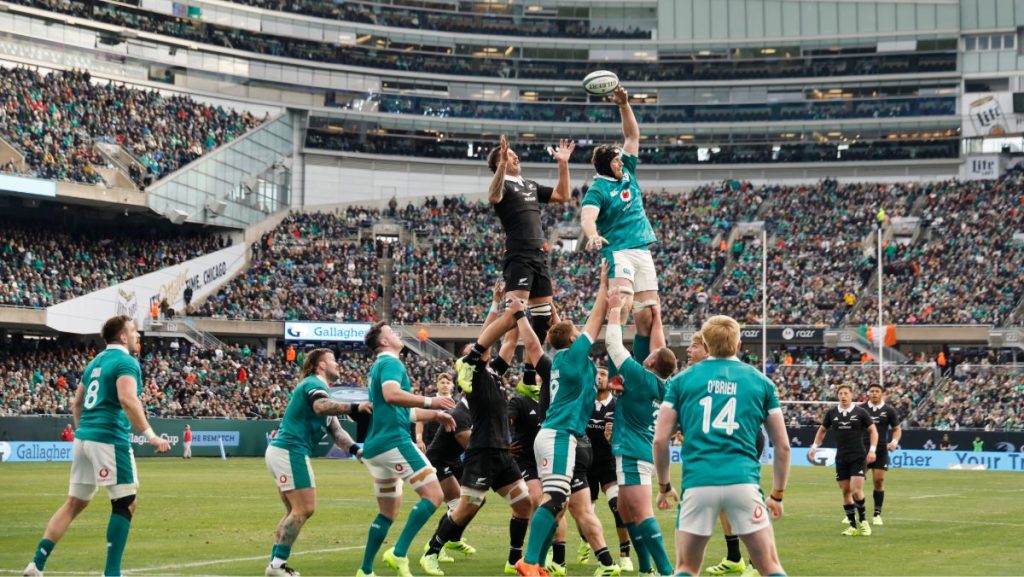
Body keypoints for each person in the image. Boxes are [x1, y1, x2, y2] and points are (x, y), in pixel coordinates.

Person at [24, 315, 171, 577]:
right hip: (108, 439)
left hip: (84, 438)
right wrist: (150, 435)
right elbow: (128, 399)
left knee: (73, 503)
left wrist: (83, 432)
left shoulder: (94, 363)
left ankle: (36, 564)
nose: (138, 335)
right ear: (123, 337)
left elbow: (76, 404)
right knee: (125, 502)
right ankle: (112, 573)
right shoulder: (126, 362)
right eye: (134, 331)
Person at [654, 315, 790, 577]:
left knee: (686, 568)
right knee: (770, 566)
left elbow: (660, 440)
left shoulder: (681, 381)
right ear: (739, 344)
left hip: (698, 483)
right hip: (743, 482)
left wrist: (663, 486)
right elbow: (782, 446)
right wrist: (777, 495)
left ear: (705, 342)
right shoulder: (762, 382)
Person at [514, 265, 616, 577]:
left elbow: (535, 345)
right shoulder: (574, 358)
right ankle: (529, 562)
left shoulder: (556, 361)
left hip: (553, 434)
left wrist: (521, 317)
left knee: (556, 501)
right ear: (574, 339)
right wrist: (603, 288)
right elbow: (594, 321)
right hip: (560, 435)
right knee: (556, 498)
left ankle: (538, 562)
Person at [422, 314, 530, 577]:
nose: (484, 348)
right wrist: (511, 312)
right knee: (467, 507)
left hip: (501, 454)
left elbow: (510, 340)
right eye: (478, 349)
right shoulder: (474, 375)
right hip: (482, 453)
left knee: (524, 504)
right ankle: (431, 552)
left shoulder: (492, 373)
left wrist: (516, 316)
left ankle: (514, 559)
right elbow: (489, 339)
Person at [358, 323, 457, 577]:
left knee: (387, 513)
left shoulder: (379, 366)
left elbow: (406, 411)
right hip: (394, 441)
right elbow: (391, 395)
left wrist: (434, 413)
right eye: (391, 332)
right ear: (383, 343)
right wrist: (431, 400)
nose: (397, 334)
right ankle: (399, 552)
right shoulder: (391, 363)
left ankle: (365, 571)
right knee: (434, 496)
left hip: (375, 449)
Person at [483, 134, 574, 401]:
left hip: (539, 256)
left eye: (513, 155)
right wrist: (501, 164)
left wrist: (563, 164)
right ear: (500, 161)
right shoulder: (502, 186)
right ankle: (476, 356)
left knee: (543, 318)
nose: (515, 156)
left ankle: (526, 377)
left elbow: (562, 195)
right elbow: (492, 195)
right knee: (514, 314)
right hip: (519, 255)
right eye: (510, 155)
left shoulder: (530, 185)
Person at [263, 348, 369, 577]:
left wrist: (355, 450)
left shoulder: (321, 390)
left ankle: (276, 564)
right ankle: (277, 566)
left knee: (294, 510)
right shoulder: (314, 383)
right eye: (333, 360)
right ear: (320, 365)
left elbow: (337, 432)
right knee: (305, 508)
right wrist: (355, 407)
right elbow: (320, 406)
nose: (338, 364)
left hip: (284, 451)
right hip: (290, 450)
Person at [605, 289, 676, 577]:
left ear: (650, 362)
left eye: (650, 356)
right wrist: (656, 319)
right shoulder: (665, 385)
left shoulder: (639, 375)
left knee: (642, 513)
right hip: (640, 448)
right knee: (625, 509)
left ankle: (666, 571)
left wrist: (613, 309)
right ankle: (646, 567)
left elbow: (612, 342)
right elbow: (661, 349)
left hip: (634, 450)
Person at [680, 332, 764, 577]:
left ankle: (755, 562)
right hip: (718, 443)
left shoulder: (723, 373)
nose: (688, 351)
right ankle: (735, 557)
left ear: (708, 349)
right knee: (724, 503)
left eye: (694, 346)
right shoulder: (696, 377)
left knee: (742, 500)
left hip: (740, 440)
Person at [580, 85, 659, 326]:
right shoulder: (598, 189)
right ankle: (616, 359)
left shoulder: (627, 171)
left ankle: (642, 363)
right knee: (622, 304)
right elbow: (587, 217)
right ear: (606, 165)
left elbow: (632, 136)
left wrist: (624, 104)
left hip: (641, 249)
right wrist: (592, 235)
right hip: (618, 251)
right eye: (616, 160)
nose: (621, 162)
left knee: (647, 313)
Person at [581, 367, 634, 571]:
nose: (599, 377)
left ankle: (624, 554)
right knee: (585, 513)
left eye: (603, 374)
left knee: (618, 507)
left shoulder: (618, 405)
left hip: (609, 465)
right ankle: (585, 542)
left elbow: (627, 433)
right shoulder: (584, 403)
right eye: (597, 374)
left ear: (609, 380)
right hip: (585, 465)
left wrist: (614, 438)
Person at [809, 384, 878, 537]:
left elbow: (873, 430)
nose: (843, 396)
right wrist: (814, 446)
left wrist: (872, 450)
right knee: (845, 491)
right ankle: (853, 526)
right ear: (838, 395)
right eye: (841, 393)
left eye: (846, 393)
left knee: (855, 489)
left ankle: (864, 521)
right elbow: (822, 430)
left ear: (851, 395)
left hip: (858, 456)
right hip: (841, 457)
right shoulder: (832, 413)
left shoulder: (861, 412)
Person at [860, 384, 902, 525]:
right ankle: (853, 513)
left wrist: (894, 441)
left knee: (878, 480)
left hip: (881, 449)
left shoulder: (888, 411)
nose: (874, 393)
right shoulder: (861, 409)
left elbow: (897, 429)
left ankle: (877, 514)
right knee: (857, 481)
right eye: (871, 391)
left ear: (882, 393)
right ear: (868, 393)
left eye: (877, 391)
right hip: (862, 448)